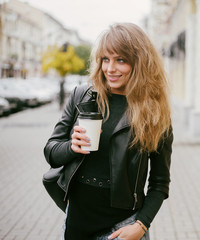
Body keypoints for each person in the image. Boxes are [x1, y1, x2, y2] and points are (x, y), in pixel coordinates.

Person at [43, 23, 173, 240]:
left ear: (139, 62)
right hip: (76, 225)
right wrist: (72, 147)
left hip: (122, 229)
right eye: (105, 59)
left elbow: (160, 182)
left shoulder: (154, 112)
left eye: (120, 60)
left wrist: (141, 225)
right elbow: (51, 152)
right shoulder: (81, 97)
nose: (110, 68)